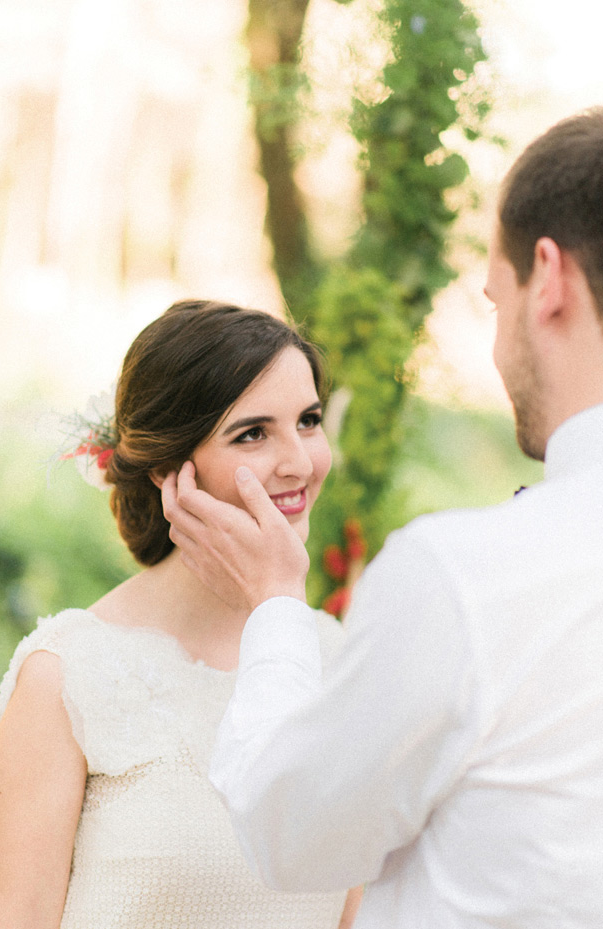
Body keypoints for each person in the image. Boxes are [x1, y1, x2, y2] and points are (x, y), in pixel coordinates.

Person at [161, 109, 603, 928]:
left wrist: (275, 608)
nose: (499, 340)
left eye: (493, 301)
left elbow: (287, 831)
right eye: (254, 430)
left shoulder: (469, 578)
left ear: (548, 278)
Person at [0, 300, 362, 929]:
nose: (299, 461)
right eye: (253, 433)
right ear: (169, 466)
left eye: (309, 420)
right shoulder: (66, 678)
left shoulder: (340, 660)